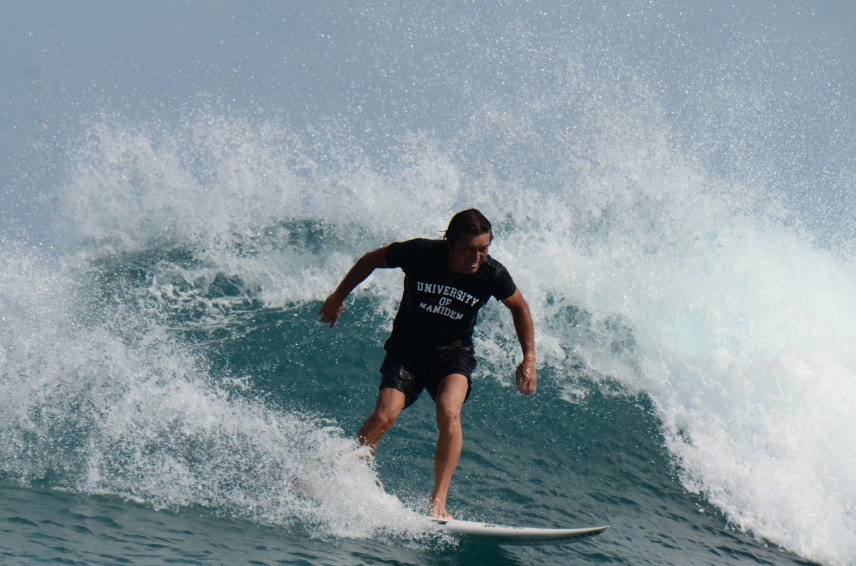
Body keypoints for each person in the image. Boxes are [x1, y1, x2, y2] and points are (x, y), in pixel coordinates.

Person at [318, 209, 536, 520]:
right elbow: (370, 260)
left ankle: (438, 501)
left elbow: (520, 308)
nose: (477, 257)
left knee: (449, 410)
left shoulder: (492, 274)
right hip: (407, 351)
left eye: (484, 249)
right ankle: (342, 479)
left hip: (453, 355)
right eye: (469, 249)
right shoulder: (420, 253)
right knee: (384, 415)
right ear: (450, 242)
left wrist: (528, 357)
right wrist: (338, 296)